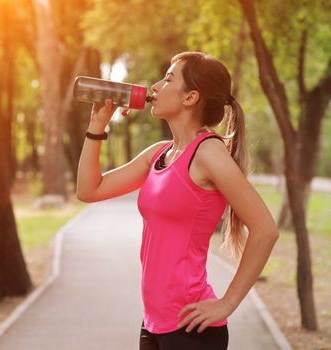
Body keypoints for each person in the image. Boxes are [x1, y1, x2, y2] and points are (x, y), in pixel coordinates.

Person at [76, 51, 279, 350]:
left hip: (190, 328)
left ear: (190, 97)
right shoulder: (159, 153)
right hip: (153, 322)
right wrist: (97, 127)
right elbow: (89, 190)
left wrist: (227, 303)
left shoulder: (209, 154)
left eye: (169, 78)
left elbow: (265, 230)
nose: (156, 86)